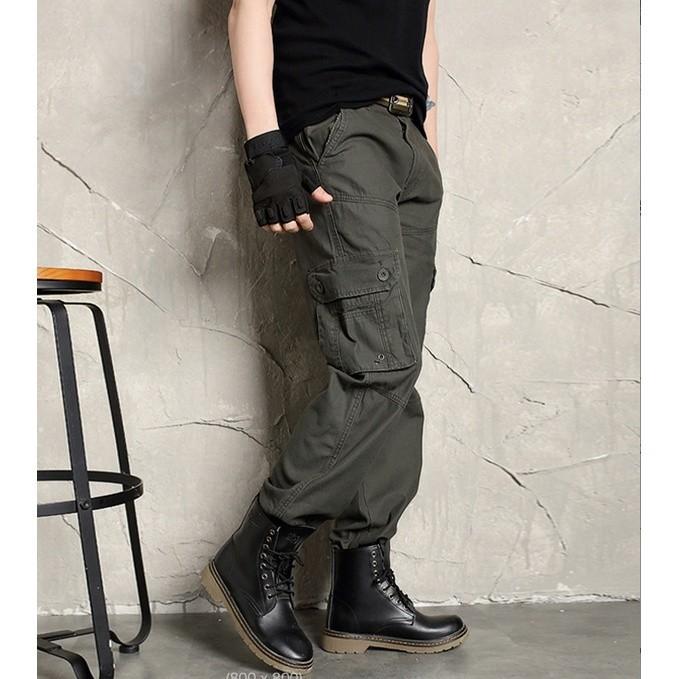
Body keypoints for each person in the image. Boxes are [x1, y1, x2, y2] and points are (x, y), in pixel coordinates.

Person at [201, 0, 468, 674]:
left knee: (396, 374)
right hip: (336, 131)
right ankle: (259, 546)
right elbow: (249, 10)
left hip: (405, 136)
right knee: (378, 367)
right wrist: (265, 148)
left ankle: (360, 588)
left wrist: (427, 136)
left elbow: (423, 22)